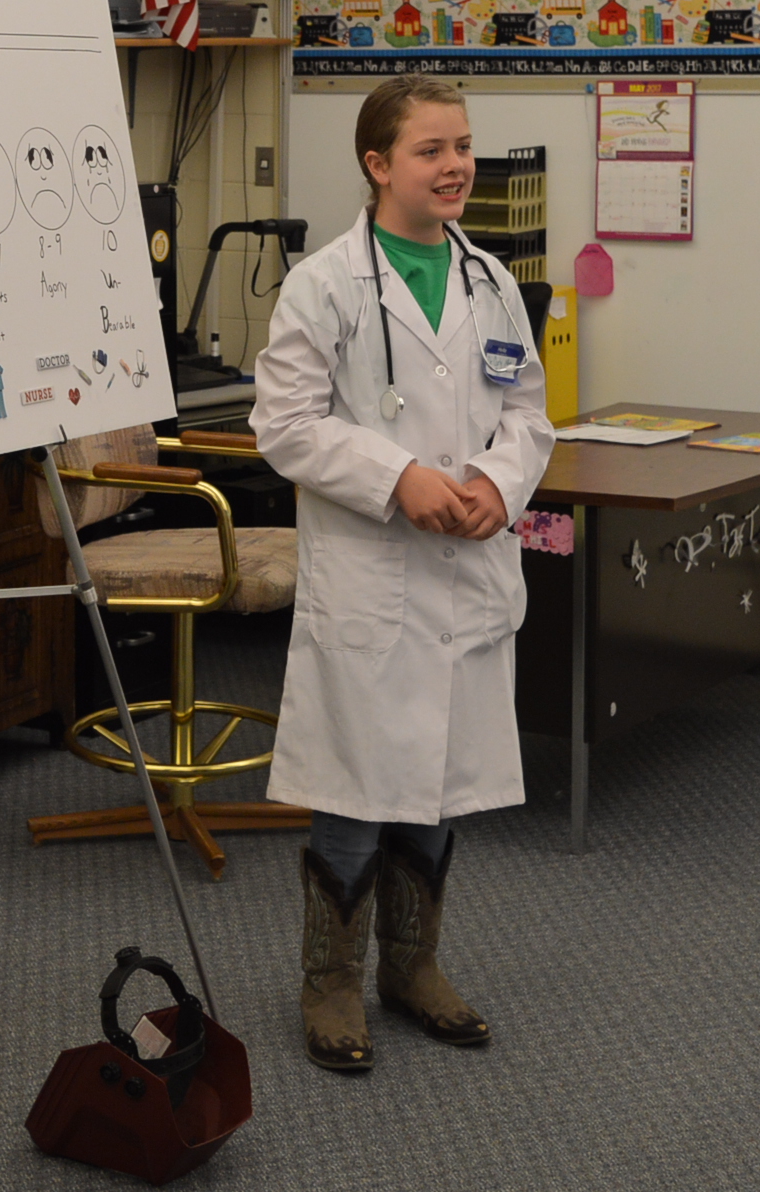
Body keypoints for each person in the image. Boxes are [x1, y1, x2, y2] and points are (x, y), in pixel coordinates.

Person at [251, 76, 557, 1075]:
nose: (455, 164)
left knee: (439, 781)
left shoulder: (491, 280)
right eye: (431, 149)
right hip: (373, 575)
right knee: (354, 786)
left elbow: (528, 414)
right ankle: (330, 980)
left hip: (467, 565)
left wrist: (498, 480)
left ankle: (412, 965)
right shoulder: (324, 284)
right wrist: (398, 478)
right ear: (377, 164)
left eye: (462, 145)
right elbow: (284, 425)